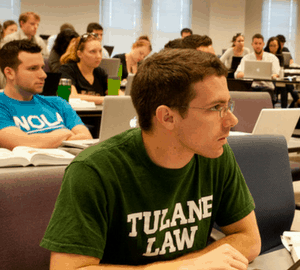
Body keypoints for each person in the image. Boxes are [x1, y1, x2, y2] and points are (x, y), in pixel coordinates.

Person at [40, 48, 261, 268]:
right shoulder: (94, 170)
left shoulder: (214, 153)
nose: (232, 120)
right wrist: (184, 267)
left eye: (228, 105)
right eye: (216, 108)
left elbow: (249, 239)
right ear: (167, 117)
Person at [0, 40, 92, 150]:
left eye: (42, 67)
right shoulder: (2, 106)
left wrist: (44, 141)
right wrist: (64, 134)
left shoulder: (58, 103)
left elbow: (86, 139)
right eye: (33, 68)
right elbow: (21, 143)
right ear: (9, 73)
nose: (43, 75)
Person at [59, 33, 107, 105]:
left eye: (100, 51)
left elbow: (117, 95)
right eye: (93, 51)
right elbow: (70, 97)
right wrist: (105, 99)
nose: (98, 56)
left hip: (99, 115)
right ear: (79, 54)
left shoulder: (101, 72)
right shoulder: (66, 70)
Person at [234, 33, 280, 104]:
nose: (258, 46)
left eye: (260, 43)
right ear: (252, 44)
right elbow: (237, 74)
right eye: (255, 43)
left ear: (263, 44)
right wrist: (246, 74)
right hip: (251, 88)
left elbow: (277, 74)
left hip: (267, 88)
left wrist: (271, 76)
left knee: (266, 96)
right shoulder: (246, 58)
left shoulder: (272, 58)